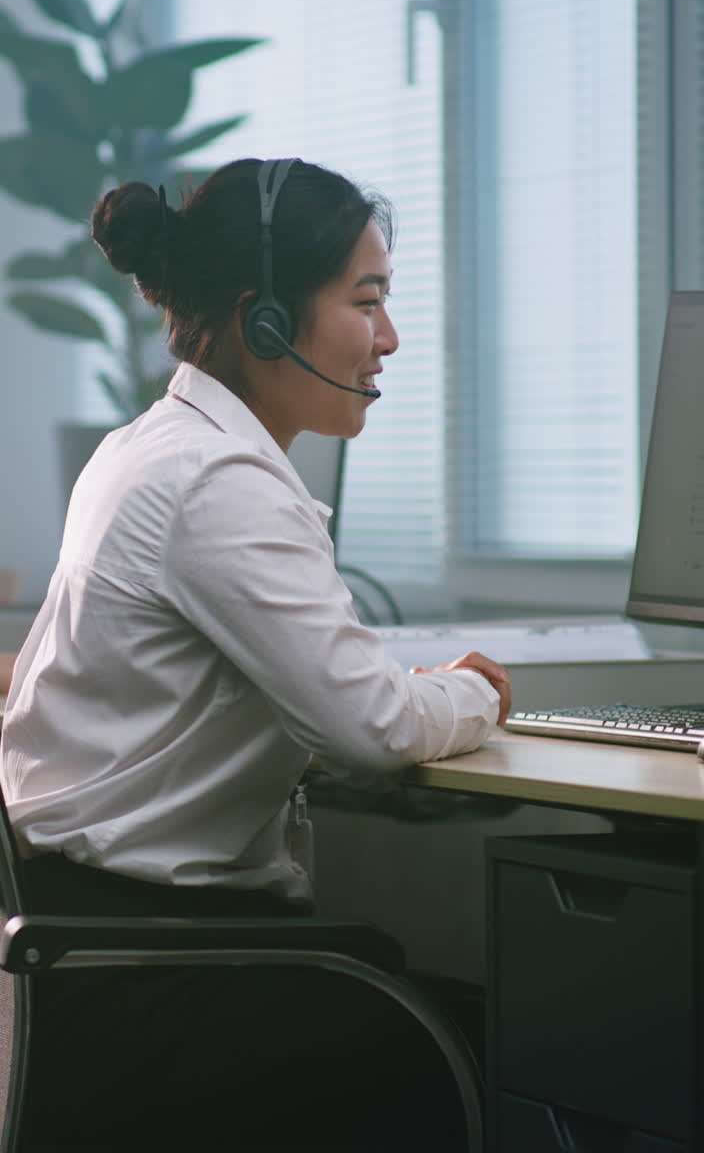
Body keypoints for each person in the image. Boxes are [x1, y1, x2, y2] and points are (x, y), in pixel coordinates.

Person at [0, 157, 510, 1151]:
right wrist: (471, 694)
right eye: (367, 301)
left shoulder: (147, 447)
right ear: (265, 318)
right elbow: (375, 725)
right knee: (516, 1039)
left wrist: (394, 690)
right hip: (155, 985)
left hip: (86, 960)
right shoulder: (216, 479)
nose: (389, 337)